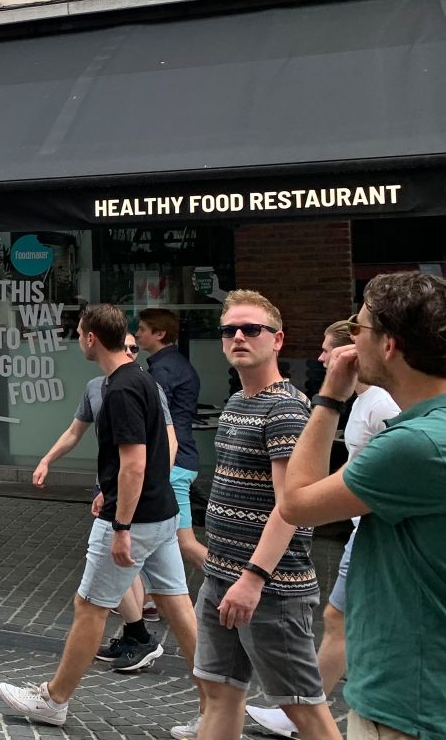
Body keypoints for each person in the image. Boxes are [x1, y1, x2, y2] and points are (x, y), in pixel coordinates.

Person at [0, 304, 199, 727]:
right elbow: (160, 449)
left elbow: (134, 464)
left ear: (91, 338)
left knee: (89, 606)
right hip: (161, 512)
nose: (76, 338)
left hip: (135, 519)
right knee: (177, 605)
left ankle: (53, 700)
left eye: (77, 332)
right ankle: (215, 705)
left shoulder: (121, 390)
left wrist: (121, 523)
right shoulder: (141, 379)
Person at [277, 272, 446, 740]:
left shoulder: (413, 445)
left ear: (389, 344)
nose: (351, 337)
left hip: (408, 702)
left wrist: (329, 397)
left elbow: (295, 503)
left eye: (359, 327)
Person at [178, 290, 340, 740]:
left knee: (302, 707)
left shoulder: (286, 408)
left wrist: (253, 578)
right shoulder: (236, 403)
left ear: (278, 340)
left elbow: (292, 506)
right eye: (229, 330)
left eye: (252, 329)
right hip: (222, 578)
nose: (239, 337)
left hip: (270, 586)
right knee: (219, 691)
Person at [247, 319, 400, 739]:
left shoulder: (382, 405)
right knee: (342, 618)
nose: (320, 357)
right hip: (363, 529)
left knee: (338, 617)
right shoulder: (368, 401)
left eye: (326, 350)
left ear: (351, 352)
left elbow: (303, 500)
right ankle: (307, 707)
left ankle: (306, 709)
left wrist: (329, 399)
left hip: (373, 528)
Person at [34, 332, 179, 672]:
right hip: (121, 495)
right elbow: (75, 431)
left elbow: (164, 445)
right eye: (124, 347)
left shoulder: (140, 386)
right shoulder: (97, 389)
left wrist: (146, 490)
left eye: (133, 348)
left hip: (135, 500)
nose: (129, 353)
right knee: (139, 580)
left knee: (92, 600)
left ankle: (58, 694)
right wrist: (47, 460)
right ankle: (139, 636)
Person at [137, 308, 209, 571]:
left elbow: (152, 416)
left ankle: (235, 585)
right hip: (179, 460)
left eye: (142, 329)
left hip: (173, 463)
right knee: (159, 541)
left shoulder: (164, 370)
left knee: (185, 542)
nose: (137, 334)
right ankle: (150, 601)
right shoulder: (172, 364)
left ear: (160, 333)